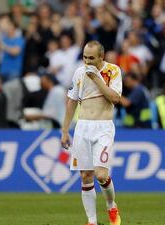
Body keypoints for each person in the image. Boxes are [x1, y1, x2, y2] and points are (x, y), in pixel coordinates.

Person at [61, 40, 122, 225]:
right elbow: (71, 101)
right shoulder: (79, 72)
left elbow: (115, 98)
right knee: (85, 176)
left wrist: (96, 78)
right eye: (85, 57)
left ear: (101, 57)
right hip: (83, 127)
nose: (87, 62)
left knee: (101, 175)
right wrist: (65, 130)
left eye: (91, 58)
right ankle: (92, 221)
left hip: (103, 127)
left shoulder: (113, 71)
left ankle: (111, 206)